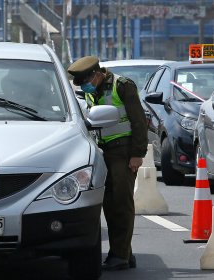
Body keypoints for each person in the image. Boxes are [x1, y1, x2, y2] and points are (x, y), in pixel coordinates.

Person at [68, 56, 148, 271]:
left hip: (123, 151)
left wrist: (137, 154)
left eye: (86, 80)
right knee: (109, 205)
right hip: (104, 151)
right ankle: (124, 253)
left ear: (97, 74)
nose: (84, 86)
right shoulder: (91, 89)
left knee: (120, 204)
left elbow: (139, 121)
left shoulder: (123, 86)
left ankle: (120, 256)